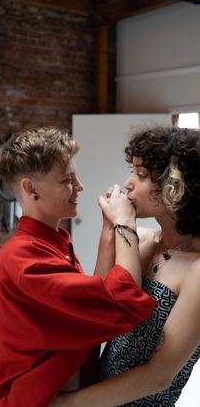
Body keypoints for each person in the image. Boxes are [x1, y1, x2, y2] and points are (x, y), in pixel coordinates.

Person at [0, 126, 156, 407]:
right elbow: (120, 306)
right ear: (30, 188)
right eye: (68, 180)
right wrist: (125, 224)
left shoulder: (55, 240)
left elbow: (92, 303)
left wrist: (109, 227)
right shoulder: (24, 260)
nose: (80, 186)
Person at [50, 125, 200, 407]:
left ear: (176, 186)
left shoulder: (197, 270)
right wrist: (112, 226)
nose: (128, 183)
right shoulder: (138, 239)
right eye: (132, 170)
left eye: (141, 174)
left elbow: (159, 376)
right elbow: (95, 311)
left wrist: (66, 404)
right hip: (96, 393)